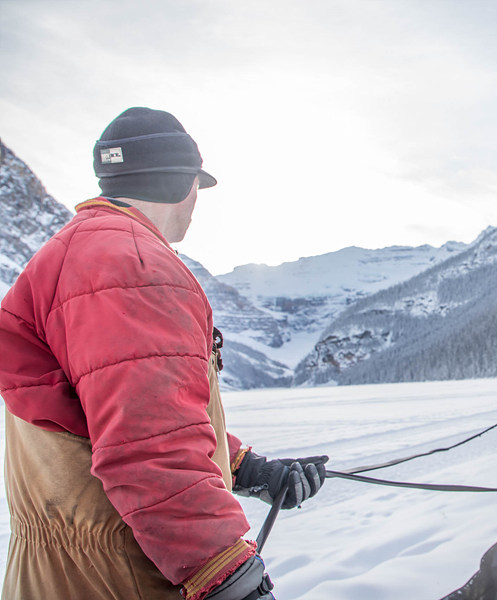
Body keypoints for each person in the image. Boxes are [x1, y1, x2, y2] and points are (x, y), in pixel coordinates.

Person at [0, 107, 328, 599]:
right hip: (121, 575)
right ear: (181, 184)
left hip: (62, 569)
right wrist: (228, 579)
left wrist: (246, 469)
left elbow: (133, 409)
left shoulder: (73, 252)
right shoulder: (133, 266)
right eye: (197, 185)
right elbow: (150, 450)